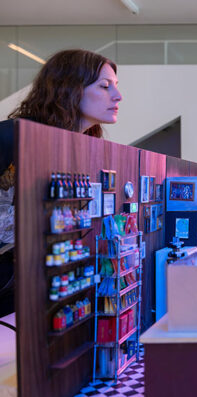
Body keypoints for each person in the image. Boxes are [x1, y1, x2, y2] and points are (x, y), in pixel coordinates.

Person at [0, 49, 122, 317]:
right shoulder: (11, 137)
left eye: (115, 86)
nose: (117, 96)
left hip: (40, 292)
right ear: (70, 88)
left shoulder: (80, 151)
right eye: (105, 86)